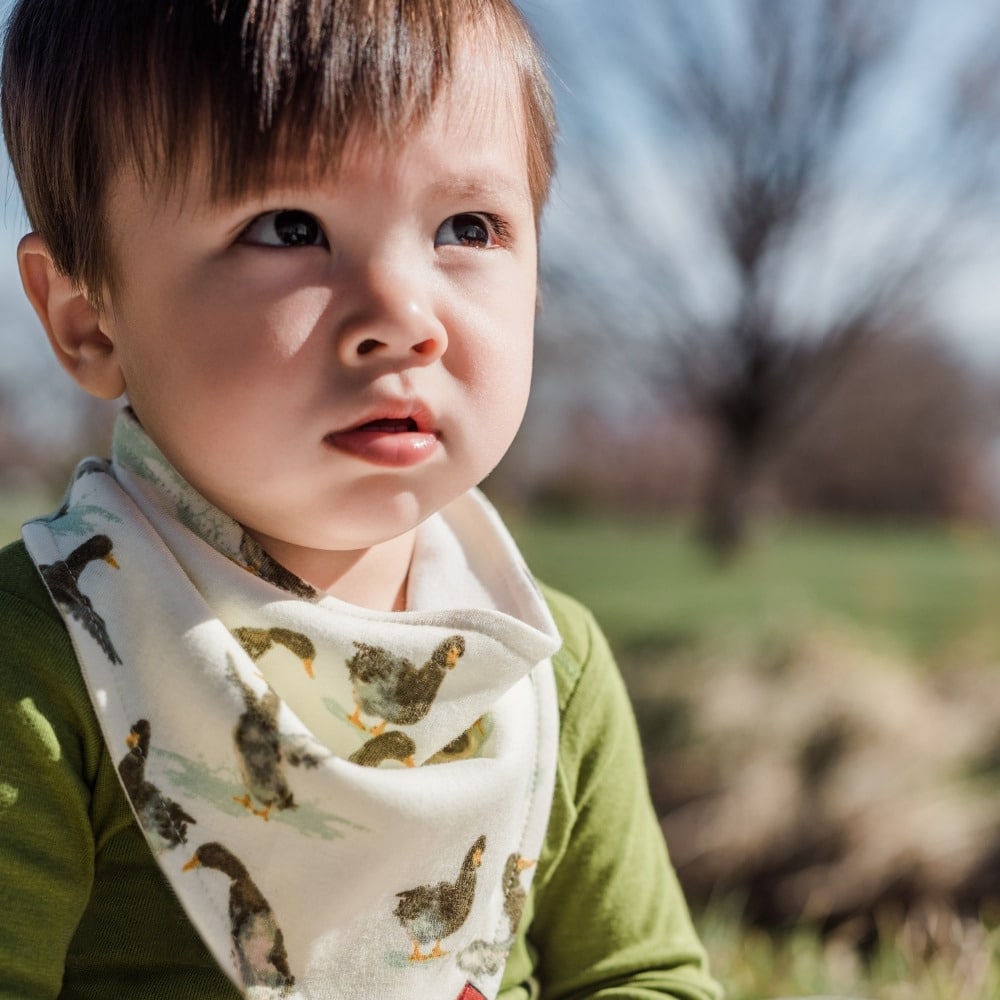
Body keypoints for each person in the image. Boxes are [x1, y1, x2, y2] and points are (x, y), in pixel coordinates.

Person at [0, 1, 721, 998]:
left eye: (466, 228)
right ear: (88, 318)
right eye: (287, 228)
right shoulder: (42, 657)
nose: (402, 316)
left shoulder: (545, 669)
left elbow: (639, 976)